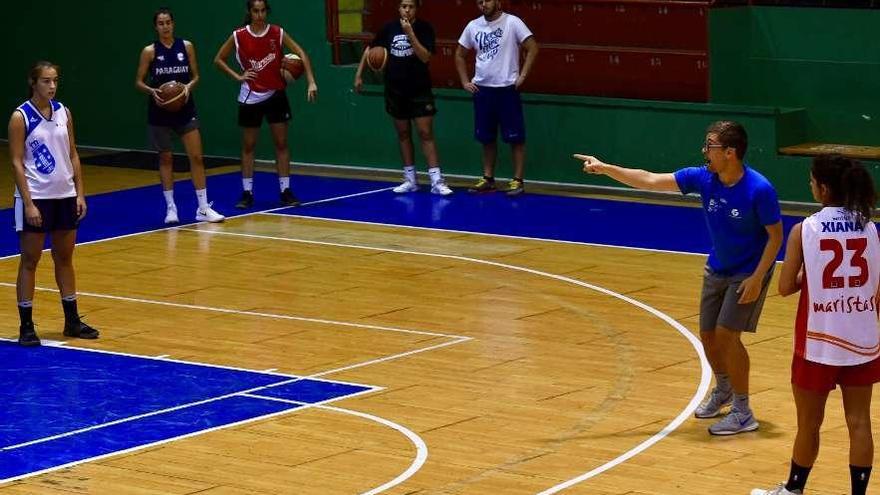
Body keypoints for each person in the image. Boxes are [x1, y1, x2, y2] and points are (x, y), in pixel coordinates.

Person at [574, 120, 783, 435]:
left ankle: (743, 411)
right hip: (718, 266)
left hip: (747, 271)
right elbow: (650, 180)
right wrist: (606, 168)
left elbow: (776, 237)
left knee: (728, 336)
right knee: (709, 336)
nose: (704, 151)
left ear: (730, 152)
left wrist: (757, 278)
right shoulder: (703, 178)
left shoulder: (759, 189)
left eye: (710, 145)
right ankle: (724, 389)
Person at [752, 154, 879, 495]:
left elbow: (784, 287)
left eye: (811, 181)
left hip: (818, 341)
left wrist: (812, 276)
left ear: (823, 189)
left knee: (809, 423)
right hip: (863, 339)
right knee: (860, 422)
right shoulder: (870, 228)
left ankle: (793, 490)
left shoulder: (804, 230)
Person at [8, 61, 100, 346]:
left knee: (64, 257)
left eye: (55, 81)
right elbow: (16, 161)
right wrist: (29, 203)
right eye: (46, 81)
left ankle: (71, 320)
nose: (51, 86)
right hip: (37, 197)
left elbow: (72, 154)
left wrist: (80, 193)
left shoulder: (63, 112)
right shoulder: (20, 117)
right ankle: (26, 325)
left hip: (65, 196)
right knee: (30, 260)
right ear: (33, 83)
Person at [214, 0, 318, 209]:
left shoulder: (277, 32)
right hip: (250, 96)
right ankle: (247, 192)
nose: (260, 15)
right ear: (250, 12)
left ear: (266, 12)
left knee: (281, 143)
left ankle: (285, 190)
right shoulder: (239, 35)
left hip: (276, 94)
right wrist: (238, 76)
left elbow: (301, 53)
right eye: (256, 11)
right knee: (249, 146)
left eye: (263, 11)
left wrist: (311, 81)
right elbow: (219, 59)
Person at [135, 7, 225, 225]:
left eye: (168, 22)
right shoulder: (149, 51)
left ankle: (203, 208)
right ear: (156, 27)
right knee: (166, 158)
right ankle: (171, 208)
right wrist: (152, 91)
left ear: (173, 24)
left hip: (185, 108)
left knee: (197, 157)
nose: (165, 26)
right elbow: (138, 81)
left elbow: (196, 77)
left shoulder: (186, 46)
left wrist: (187, 88)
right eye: (161, 23)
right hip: (159, 110)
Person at [353, 0, 452, 196]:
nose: (407, 9)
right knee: (403, 134)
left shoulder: (424, 28)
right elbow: (371, 49)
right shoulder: (389, 28)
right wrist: (358, 74)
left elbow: (425, 57)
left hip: (419, 89)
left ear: (417, 8)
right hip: (395, 89)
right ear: (398, 8)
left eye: (411, 6)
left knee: (425, 133)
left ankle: (436, 180)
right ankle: (410, 179)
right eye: (403, 6)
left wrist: (410, 34)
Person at [455, 0, 538, 196]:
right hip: (482, 90)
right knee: (486, 138)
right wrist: (465, 81)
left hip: (507, 89)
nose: (483, 4)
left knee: (516, 138)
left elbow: (533, 47)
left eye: (487, 0)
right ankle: (488, 178)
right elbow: (459, 54)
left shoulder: (512, 22)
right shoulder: (473, 26)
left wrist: (523, 76)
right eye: (479, 1)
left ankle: (517, 180)